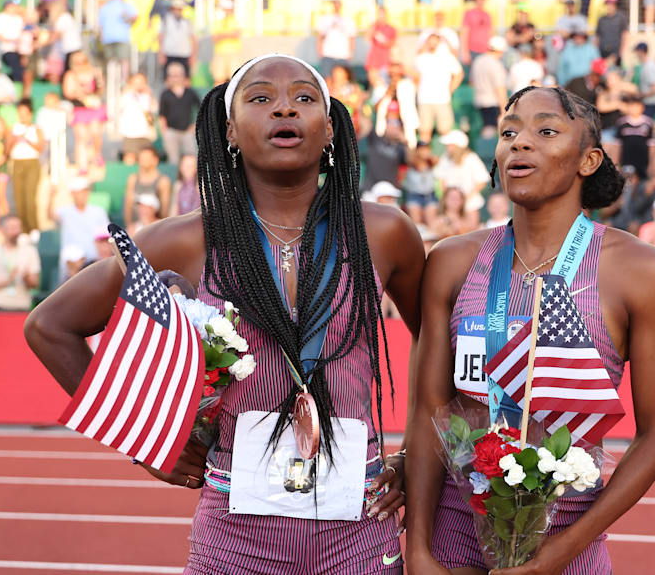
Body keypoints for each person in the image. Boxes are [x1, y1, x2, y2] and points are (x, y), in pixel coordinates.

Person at [27, 54, 423, 573]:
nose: (285, 109)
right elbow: (49, 326)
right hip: (236, 532)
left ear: (329, 129)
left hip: (362, 524)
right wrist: (149, 441)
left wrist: (418, 454)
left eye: (305, 99)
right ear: (230, 129)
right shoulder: (184, 239)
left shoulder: (385, 232)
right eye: (261, 98)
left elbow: (436, 343)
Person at [405, 84, 655, 574]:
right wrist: (420, 548)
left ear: (588, 160)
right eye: (508, 131)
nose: (519, 142)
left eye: (545, 130)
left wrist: (560, 552)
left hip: (567, 542)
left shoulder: (641, 270)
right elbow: (430, 409)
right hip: (452, 539)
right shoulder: (451, 261)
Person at [52, 176, 108, 278]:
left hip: (95, 264)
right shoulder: (65, 211)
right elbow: (51, 216)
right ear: (72, 194)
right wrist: (51, 197)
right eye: (79, 192)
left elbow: (106, 237)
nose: (82, 195)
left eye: (84, 191)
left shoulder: (98, 211)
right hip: (71, 267)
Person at [414, 33, 464, 145]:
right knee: (424, 131)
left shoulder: (446, 57)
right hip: (424, 99)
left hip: (442, 99)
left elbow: (459, 74)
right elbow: (415, 77)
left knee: (445, 130)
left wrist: (450, 90)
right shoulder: (420, 58)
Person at [8, 101, 45, 233]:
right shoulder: (14, 128)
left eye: (25, 113)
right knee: (19, 200)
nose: (22, 116)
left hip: (32, 163)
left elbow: (40, 147)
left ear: (30, 114)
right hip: (18, 163)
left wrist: (27, 140)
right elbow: (7, 148)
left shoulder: (36, 128)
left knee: (30, 199)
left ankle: (34, 229)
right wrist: (14, 139)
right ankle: (23, 231)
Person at [0, 215, 41, 310]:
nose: (17, 231)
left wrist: (26, 277)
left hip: (21, 305)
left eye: (18, 227)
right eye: (12, 228)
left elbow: (34, 284)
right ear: (1, 229)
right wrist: (9, 279)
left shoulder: (29, 251)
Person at [435, 130, 491, 214]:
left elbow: (482, 181)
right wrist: (448, 199)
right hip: (450, 207)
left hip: (470, 205)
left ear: (458, 146)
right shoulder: (445, 158)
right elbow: (441, 180)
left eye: (450, 145)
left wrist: (466, 198)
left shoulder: (472, 158)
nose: (447, 147)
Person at [158, 63, 200, 163]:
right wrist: (165, 132)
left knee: (191, 158)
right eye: (172, 75)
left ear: (183, 76)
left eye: (177, 75)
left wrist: (194, 126)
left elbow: (200, 108)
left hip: (187, 132)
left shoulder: (190, 93)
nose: (175, 78)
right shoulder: (165, 94)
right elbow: (162, 115)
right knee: (173, 160)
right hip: (171, 132)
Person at [123, 145, 171, 229]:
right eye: (141, 158)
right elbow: (128, 206)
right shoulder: (133, 179)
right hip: (135, 228)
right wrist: (130, 227)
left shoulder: (163, 181)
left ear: (155, 160)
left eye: (146, 158)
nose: (143, 161)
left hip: (155, 228)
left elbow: (165, 210)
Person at [470, 36, 508, 139]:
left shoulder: (478, 60)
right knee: (490, 129)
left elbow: (471, 81)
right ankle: (486, 152)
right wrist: (504, 109)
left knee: (486, 127)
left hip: (479, 100)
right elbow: (499, 88)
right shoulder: (495, 64)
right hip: (491, 101)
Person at [118, 72, 157, 165]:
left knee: (146, 159)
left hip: (145, 134)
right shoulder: (126, 95)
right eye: (136, 82)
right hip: (130, 134)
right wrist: (129, 90)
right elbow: (120, 105)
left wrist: (150, 95)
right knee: (129, 158)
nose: (138, 85)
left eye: (141, 82)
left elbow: (153, 110)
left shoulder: (147, 96)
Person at [615, 95, 655, 179]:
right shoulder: (621, 123)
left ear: (642, 107)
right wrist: (617, 164)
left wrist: (652, 164)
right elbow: (617, 145)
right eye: (632, 106)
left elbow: (652, 146)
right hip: (626, 160)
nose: (634, 108)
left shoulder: (649, 123)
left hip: (643, 161)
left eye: (637, 106)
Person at [98, 0, 138, 76]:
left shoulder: (104, 7)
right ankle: (124, 81)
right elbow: (135, 18)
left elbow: (100, 25)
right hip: (122, 38)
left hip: (107, 38)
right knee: (124, 60)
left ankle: (110, 81)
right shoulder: (125, 6)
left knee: (110, 61)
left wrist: (102, 38)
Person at [158, 0, 196, 78]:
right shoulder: (166, 21)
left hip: (184, 54)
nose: (177, 11)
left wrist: (193, 55)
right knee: (168, 78)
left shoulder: (187, 22)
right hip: (169, 53)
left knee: (185, 78)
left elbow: (194, 39)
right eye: (175, 9)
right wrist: (161, 53)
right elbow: (161, 37)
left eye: (179, 9)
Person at [316, 0, 355, 76]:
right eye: (335, 5)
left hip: (343, 55)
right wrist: (319, 52)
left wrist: (350, 53)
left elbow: (351, 38)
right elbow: (320, 36)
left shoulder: (348, 20)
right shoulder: (325, 19)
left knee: (342, 79)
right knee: (327, 78)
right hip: (328, 54)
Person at [403, 142, 439, 225]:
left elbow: (436, 159)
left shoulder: (432, 163)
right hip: (414, 196)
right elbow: (408, 154)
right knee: (417, 225)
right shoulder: (411, 162)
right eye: (422, 149)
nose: (425, 151)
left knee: (432, 224)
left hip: (430, 196)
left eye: (426, 149)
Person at [0, 0, 26, 81]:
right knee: (17, 71)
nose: (15, 8)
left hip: (17, 50)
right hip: (3, 49)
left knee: (22, 71)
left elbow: (22, 35)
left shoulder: (19, 19)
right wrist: (11, 41)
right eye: (13, 6)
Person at [210, 2, 243, 84]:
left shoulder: (235, 20)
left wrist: (222, 35)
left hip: (233, 52)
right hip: (220, 52)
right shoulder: (218, 22)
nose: (227, 11)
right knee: (219, 78)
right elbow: (215, 38)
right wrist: (229, 34)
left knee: (235, 78)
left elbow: (237, 34)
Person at [595, 0, 628, 65]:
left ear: (615, 4)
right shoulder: (601, 19)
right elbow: (598, 37)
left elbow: (624, 36)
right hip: (602, 53)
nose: (609, 6)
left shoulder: (621, 17)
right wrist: (596, 54)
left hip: (615, 54)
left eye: (611, 4)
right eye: (607, 4)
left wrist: (619, 53)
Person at [367, 6, 398, 76]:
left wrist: (382, 40)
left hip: (385, 61)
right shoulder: (374, 27)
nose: (381, 17)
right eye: (379, 14)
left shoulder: (391, 29)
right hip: (373, 61)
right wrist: (373, 27)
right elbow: (366, 37)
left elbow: (391, 43)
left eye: (382, 14)